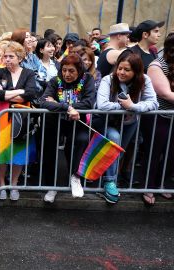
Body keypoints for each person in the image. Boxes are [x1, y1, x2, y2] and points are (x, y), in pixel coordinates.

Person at [96, 50, 158, 204]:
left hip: (130, 122)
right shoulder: (108, 79)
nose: (121, 72)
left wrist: (134, 106)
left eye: (127, 70)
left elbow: (153, 102)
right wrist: (124, 106)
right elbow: (102, 105)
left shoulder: (144, 80)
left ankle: (103, 182)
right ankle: (110, 182)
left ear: (136, 71)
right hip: (107, 121)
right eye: (120, 68)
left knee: (117, 153)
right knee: (114, 140)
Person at [40, 53, 96, 203]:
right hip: (54, 123)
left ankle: (75, 177)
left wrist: (58, 105)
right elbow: (44, 102)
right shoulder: (55, 80)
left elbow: (88, 103)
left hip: (78, 123)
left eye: (71, 71)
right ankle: (51, 186)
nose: (67, 74)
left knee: (81, 141)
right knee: (49, 150)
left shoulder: (88, 80)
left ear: (79, 70)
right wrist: (66, 107)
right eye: (64, 70)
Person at [0, 41, 38, 201]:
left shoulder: (29, 73)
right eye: (5, 56)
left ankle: (14, 184)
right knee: (1, 152)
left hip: (22, 119)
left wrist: (7, 93)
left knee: (19, 151)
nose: (7, 59)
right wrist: (19, 92)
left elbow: (31, 93)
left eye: (11, 56)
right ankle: (2, 184)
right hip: (0, 117)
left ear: (20, 57)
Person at [142, 34, 174, 204]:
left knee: (171, 154)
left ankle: (161, 183)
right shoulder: (157, 65)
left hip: (172, 116)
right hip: (158, 116)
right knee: (154, 152)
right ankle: (148, 187)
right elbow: (165, 93)